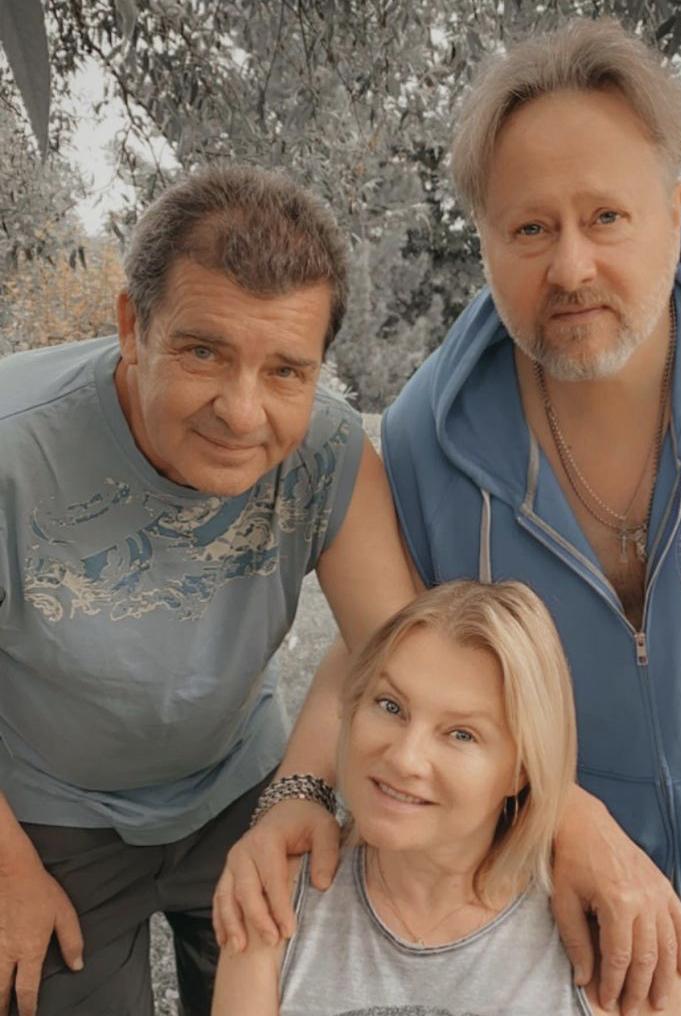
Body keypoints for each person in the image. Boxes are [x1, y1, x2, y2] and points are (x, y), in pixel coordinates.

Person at [377, 18, 681, 1016]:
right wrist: (548, 825)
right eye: (530, 229)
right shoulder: (422, 439)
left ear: (675, 209)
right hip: (561, 886)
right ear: (484, 238)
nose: (572, 267)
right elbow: (418, 697)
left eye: (607, 216)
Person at [0, 164, 415, 1016]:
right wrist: (6, 870)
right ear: (132, 326)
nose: (242, 411)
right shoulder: (14, 445)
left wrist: (301, 791)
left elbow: (397, 651)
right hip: (48, 811)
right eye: (203, 351)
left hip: (237, 788)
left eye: (286, 371)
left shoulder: (330, 449)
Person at [211, 580, 681, 1015]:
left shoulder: (612, 926)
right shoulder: (272, 899)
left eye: (461, 734)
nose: (405, 757)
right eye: (390, 706)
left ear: (521, 770)